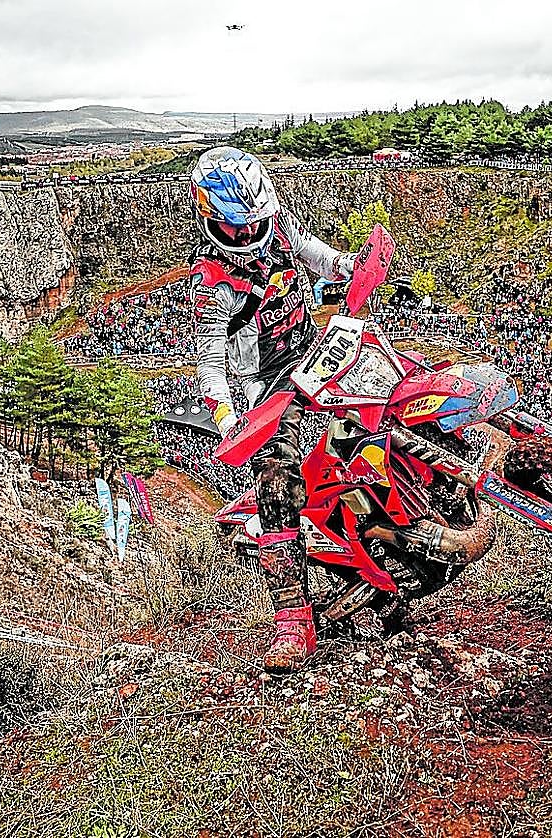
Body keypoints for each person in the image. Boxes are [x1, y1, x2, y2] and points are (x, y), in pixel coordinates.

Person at [188, 146, 356, 673]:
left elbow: (312, 251)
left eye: (253, 224)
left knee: (391, 382)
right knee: (276, 479)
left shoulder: (277, 221)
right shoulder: (213, 282)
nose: (247, 237)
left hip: (315, 348)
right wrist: (228, 415)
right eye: (236, 229)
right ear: (209, 216)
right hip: (263, 386)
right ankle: (293, 620)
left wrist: (351, 267)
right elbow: (209, 359)